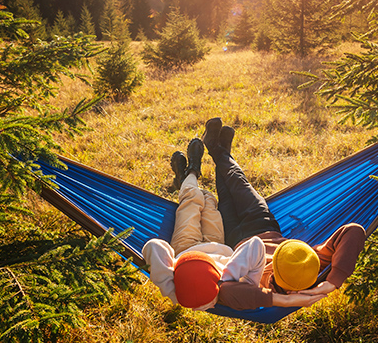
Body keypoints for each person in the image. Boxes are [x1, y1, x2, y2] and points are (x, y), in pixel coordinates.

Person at [143, 118, 366, 312]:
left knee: (224, 195)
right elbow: (353, 230)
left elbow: (227, 291)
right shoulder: (313, 265)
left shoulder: (264, 288)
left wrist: (280, 301)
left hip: (232, 242)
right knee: (237, 181)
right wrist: (334, 281)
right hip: (262, 224)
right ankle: (218, 150)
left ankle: (215, 153)